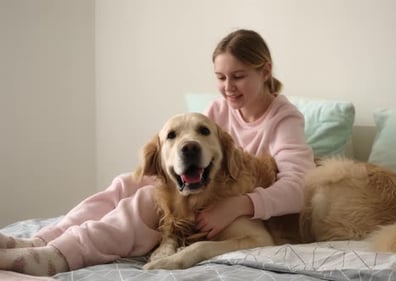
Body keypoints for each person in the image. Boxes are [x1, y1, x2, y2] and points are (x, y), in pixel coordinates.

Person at [0, 29, 315, 276]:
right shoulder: (217, 109)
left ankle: (62, 255)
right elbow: (191, 155)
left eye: (238, 76)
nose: (228, 87)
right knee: (128, 182)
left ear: (265, 71)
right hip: (205, 193)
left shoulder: (283, 117)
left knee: (146, 199)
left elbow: (299, 186)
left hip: (236, 198)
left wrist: (241, 205)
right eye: (220, 78)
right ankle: (44, 239)